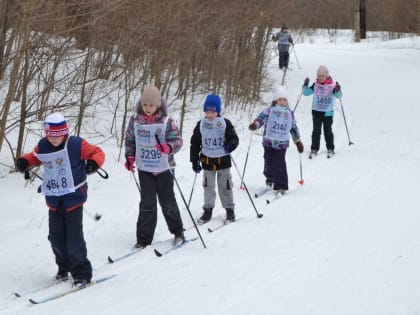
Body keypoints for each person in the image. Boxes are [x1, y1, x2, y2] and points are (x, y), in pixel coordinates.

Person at [16, 112, 105, 286]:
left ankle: (81, 273)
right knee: (56, 238)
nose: (54, 139)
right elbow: (34, 156)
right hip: (54, 201)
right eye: (50, 135)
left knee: (74, 239)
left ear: (65, 132)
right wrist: (24, 162)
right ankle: (63, 268)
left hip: (74, 199)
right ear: (46, 134)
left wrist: (94, 163)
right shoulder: (43, 145)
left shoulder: (75, 145)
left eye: (58, 135)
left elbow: (98, 152)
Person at [124, 85, 185, 248]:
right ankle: (143, 239)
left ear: (158, 104)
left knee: (167, 202)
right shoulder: (135, 120)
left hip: (165, 168)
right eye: (145, 104)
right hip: (145, 169)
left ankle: (178, 231)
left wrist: (168, 147)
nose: (148, 108)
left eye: (151, 105)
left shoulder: (166, 120)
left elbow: (178, 141)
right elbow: (130, 140)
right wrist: (129, 157)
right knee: (147, 203)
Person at [190, 94, 239, 224]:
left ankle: (229, 210)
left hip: (223, 160)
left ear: (218, 111)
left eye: (213, 111)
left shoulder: (224, 123)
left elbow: (234, 138)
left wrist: (230, 145)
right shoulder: (201, 124)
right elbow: (195, 143)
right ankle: (207, 210)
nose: (210, 114)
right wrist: (194, 160)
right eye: (207, 111)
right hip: (207, 160)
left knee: (225, 186)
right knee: (208, 187)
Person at [249, 86, 303, 193]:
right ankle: (270, 177)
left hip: (282, 143)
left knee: (279, 163)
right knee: (268, 161)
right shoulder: (269, 111)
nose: (282, 102)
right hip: (268, 141)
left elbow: (293, 128)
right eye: (280, 99)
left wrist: (297, 141)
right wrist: (255, 125)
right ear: (275, 100)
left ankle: (281, 185)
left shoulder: (289, 114)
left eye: (284, 99)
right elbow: (260, 118)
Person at [302, 65, 343, 157]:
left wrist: (338, 89)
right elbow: (305, 93)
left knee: (327, 130)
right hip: (316, 111)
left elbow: (339, 96)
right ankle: (314, 149)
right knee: (316, 131)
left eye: (323, 76)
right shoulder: (315, 85)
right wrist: (305, 84)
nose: (321, 78)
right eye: (319, 76)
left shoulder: (332, 86)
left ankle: (330, 148)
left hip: (328, 112)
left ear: (327, 76)